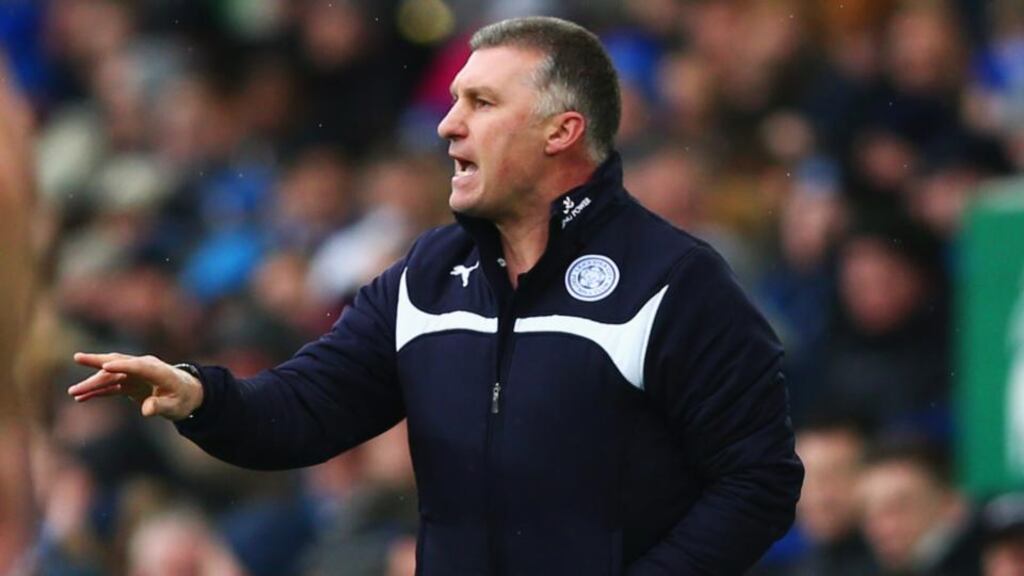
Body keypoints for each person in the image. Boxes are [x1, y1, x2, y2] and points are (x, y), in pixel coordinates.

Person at [70, 16, 803, 574]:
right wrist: (199, 394)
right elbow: (304, 412)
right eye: (454, 101)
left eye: (480, 102)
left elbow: (759, 480)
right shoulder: (425, 277)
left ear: (562, 131)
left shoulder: (673, 280)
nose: (448, 124)